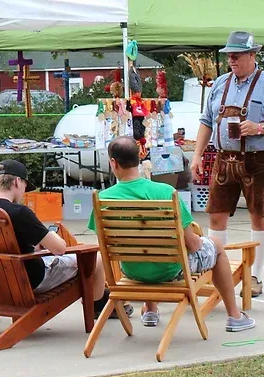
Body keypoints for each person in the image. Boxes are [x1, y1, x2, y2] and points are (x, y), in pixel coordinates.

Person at [89, 138, 255, 332]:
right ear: (141, 157)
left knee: (144, 249)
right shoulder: (165, 192)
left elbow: (104, 245)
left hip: (132, 270)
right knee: (216, 245)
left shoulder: (102, 199)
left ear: (113, 163)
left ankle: (150, 311)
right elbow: (192, 245)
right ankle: (235, 316)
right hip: (170, 272)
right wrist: (201, 241)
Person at [189, 30, 264, 298]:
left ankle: (255, 275)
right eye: (229, 55)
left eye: (236, 55)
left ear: (252, 55)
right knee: (216, 215)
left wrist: (259, 127)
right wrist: (197, 155)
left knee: (258, 215)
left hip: (257, 160)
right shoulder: (220, 84)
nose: (231, 59)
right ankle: (215, 271)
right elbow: (207, 121)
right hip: (223, 159)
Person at [0, 159, 115, 317]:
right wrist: (54, 237)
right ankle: (97, 306)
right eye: (25, 187)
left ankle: (103, 298)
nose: (24, 192)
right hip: (30, 279)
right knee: (94, 260)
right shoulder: (19, 212)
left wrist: (34, 246)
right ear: (17, 182)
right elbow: (59, 249)